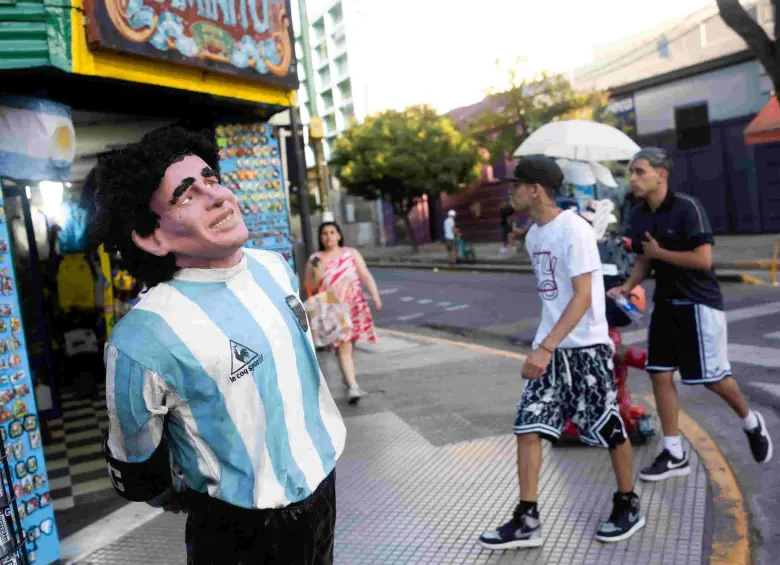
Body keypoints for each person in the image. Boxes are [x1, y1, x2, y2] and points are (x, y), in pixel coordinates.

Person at [93, 126, 346, 565]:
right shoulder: (141, 338)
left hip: (325, 489)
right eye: (186, 195)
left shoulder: (275, 267)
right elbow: (137, 469)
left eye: (211, 180)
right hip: (237, 531)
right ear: (152, 237)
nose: (217, 196)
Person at [479, 156, 644, 550]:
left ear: (535, 188)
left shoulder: (575, 230)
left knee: (607, 427)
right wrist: (546, 347)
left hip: (585, 349)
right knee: (527, 427)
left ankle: (627, 503)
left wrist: (546, 346)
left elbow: (585, 297)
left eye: (516, 184)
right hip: (551, 351)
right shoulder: (536, 235)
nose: (510, 190)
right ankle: (527, 518)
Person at [609, 148, 772, 482]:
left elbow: (703, 261)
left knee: (712, 378)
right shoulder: (640, 214)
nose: (633, 178)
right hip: (665, 305)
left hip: (699, 304)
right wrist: (627, 286)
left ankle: (751, 422)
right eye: (632, 172)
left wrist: (659, 253)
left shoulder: (688, 208)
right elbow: (644, 259)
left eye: (640, 171)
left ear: (660, 174)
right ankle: (674, 452)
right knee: (659, 374)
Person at [306, 222, 381, 404]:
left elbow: (365, 276)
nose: (329, 236)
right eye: (324, 233)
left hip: (354, 304)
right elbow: (309, 287)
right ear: (320, 237)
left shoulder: (351, 253)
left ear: (339, 235)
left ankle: (348, 379)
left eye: (332, 232)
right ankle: (353, 385)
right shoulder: (315, 258)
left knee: (349, 344)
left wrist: (375, 296)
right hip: (333, 309)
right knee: (343, 345)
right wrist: (318, 273)